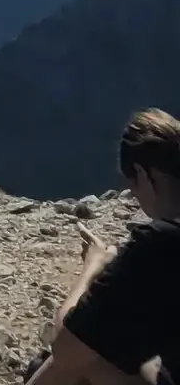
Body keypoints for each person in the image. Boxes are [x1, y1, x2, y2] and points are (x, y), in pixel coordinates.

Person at [28, 110, 180, 385]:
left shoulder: (160, 243)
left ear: (142, 175)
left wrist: (94, 265)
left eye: (133, 189)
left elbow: (67, 349)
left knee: (74, 361)